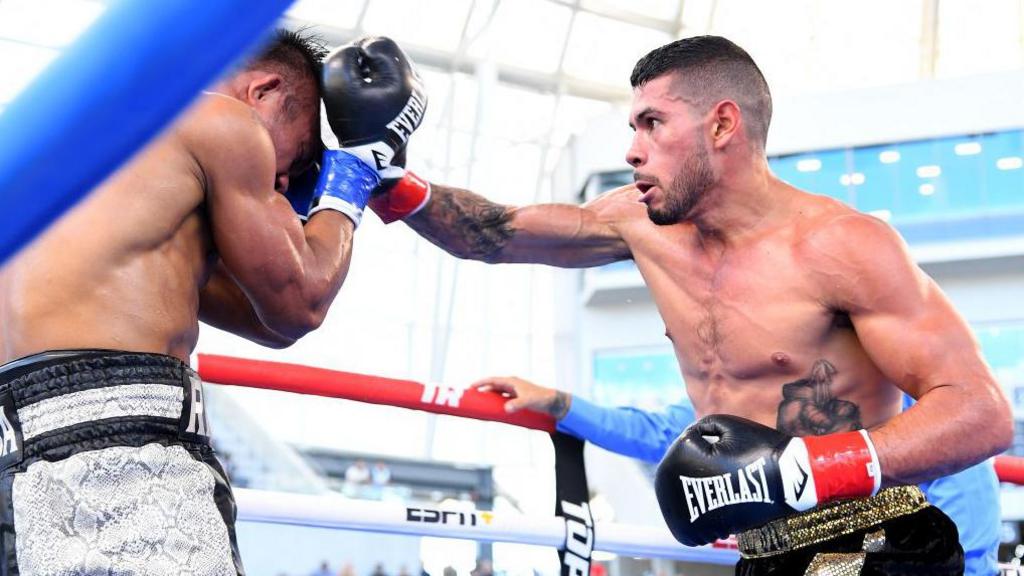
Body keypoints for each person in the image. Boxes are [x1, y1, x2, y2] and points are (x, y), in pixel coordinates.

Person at [368, 35, 1010, 574]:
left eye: (653, 124)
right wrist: (387, 179)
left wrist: (806, 466)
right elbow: (496, 234)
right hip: (767, 547)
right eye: (632, 127)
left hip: (869, 532)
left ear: (722, 124)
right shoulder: (638, 224)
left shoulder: (839, 246)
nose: (632, 150)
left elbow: (981, 412)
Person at [0, 32, 424, 574]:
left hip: (18, 460)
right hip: (123, 448)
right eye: (300, 153)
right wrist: (358, 169)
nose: (283, 181)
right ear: (264, 92)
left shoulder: (91, 147)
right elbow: (301, 301)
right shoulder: (223, 121)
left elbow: (272, 323)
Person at [474, 376, 1001, 575]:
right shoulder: (766, 397)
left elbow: (960, 522)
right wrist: (563, 406)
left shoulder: (895, 397)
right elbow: (662, 432)